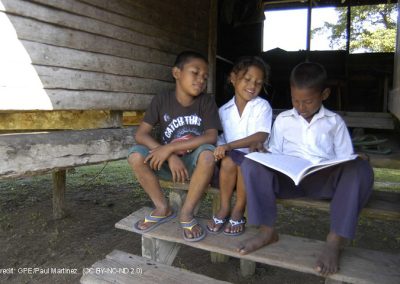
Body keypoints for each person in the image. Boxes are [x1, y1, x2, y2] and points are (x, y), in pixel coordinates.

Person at [238, 62, 373, 276]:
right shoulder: (283, 119)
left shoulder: (334, 122)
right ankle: (267, 231)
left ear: (324, 94)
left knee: (360, 169)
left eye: (308, 101)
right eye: (295, 100)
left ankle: (334, 241)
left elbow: (344, 159)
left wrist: (355, 159)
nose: (301, 106)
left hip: (323, 183)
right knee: (251, 163)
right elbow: (275, 154)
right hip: (288, 181)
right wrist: (262, 151)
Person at [128, 50, 221, 242]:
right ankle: (162, 207)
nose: (201, 80)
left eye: (204, 77)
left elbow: (211, 136)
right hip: (168, 164)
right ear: (177, 73)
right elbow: (141, 134)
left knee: (207, 155)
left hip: (195, 166)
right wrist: (169, 155)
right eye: (195, 73)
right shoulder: (162, 99)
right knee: (136, 156)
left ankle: (186, 213)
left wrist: (169, 148)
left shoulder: (206, 101)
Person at [206, 56, 272, 236]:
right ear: (233, 78)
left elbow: (261, 135)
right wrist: (221, 149)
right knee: (228, 162)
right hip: (230, 164)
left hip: (254, 160)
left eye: (258, 83)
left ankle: (239, 210)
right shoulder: (224, 111)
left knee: (244, 162)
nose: (252, 86)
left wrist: (229, 146)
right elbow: (220, 140)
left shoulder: (262, 106)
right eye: (247, 79)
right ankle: (225, 207)